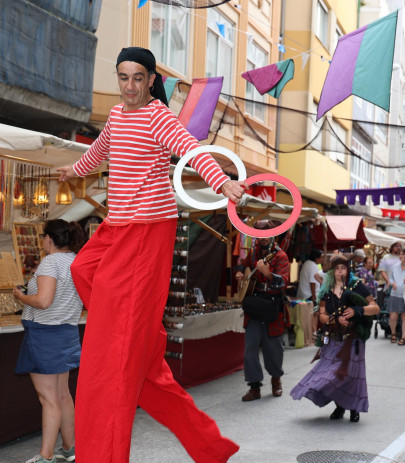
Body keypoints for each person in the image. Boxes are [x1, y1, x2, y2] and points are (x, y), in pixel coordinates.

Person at [57, 47, 243, 462]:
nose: (129, 86)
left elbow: (191, 150)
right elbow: (99, 153)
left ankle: (126, 329)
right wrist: (72, 170)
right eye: (122, 77)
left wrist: (221, 183)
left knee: (114, 363)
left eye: (137, 78)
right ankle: (133, 331)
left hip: (147, 232)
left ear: (150, 79)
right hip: (115, 226)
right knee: (83, 268)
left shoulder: (159, 116)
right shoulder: (117, 116)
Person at [13, 219, 85, 463]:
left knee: (49, 398)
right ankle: (69, 448)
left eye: (43, 237)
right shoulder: (76, 261)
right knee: (63, 394)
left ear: (49, 239)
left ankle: (46, 456)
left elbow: (43, 301)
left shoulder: (50, 262)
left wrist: (22, 296)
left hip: (45, 334)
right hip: (66, 332)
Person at [290, 255, 379, 423]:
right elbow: (322, 315)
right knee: (330, 373)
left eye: (343, 268)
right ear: (331, 271)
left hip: (354, 338)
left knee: (352, 373)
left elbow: (375, 308)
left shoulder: (356, 285)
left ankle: (353, 408)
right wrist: (335, 319)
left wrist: (356, 310)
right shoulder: (326, 288)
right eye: (337, 269)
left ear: (348, 269)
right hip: (332, 337)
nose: (340, 272)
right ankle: (340, 405)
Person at [234, 221, 291, 402]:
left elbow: (283, 282)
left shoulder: (281, 256)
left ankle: (276, 379)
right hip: (253, 305)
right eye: (259, 235)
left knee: (273, 349)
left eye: (266, 234)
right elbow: (242, 263)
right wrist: (240, 272)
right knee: (250, 349)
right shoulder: (253, 252)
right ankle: (254, 387)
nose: (263, 238)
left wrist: (267, 274)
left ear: (273, 234)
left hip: (272, 306)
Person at [386, 249, 405, 346]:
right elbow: (390, 278)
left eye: (402, 254)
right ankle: (393, 333)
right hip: (395, 294)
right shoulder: (395, 267)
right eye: (400, 254)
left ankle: (403, 338)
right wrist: (392, 283)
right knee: (393, 316)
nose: (400, 256)